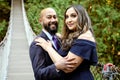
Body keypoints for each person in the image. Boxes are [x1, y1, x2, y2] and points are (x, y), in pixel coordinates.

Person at [35, 5, 98, 80]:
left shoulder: (85, 38)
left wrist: (48, 48)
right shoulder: (77, 35)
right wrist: (60, 37)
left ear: (82, 17)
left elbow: (67, 67)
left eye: (73, 16)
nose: (69, 20)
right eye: (67, 17)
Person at [29, 7, 76, 80]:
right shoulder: (37, 44)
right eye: (49, 17)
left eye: (55, 17)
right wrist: (56, 66)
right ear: (41, 21)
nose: (53, 20)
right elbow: (38, 74)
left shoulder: (58, 39)